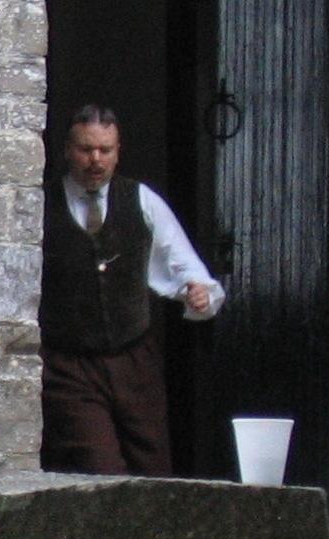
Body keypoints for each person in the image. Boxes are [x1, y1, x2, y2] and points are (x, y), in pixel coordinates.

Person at [39, 104, 226, 477]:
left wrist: (199, 293)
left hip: (134, 359)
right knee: (98, 465)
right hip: (70, 365)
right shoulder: (42, 205)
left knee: (152, 464)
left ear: (117, 151)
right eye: (85, 149)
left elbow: (183, 265)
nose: (95, 160)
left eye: (105, 150)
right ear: (66, 151)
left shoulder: (142, 201)